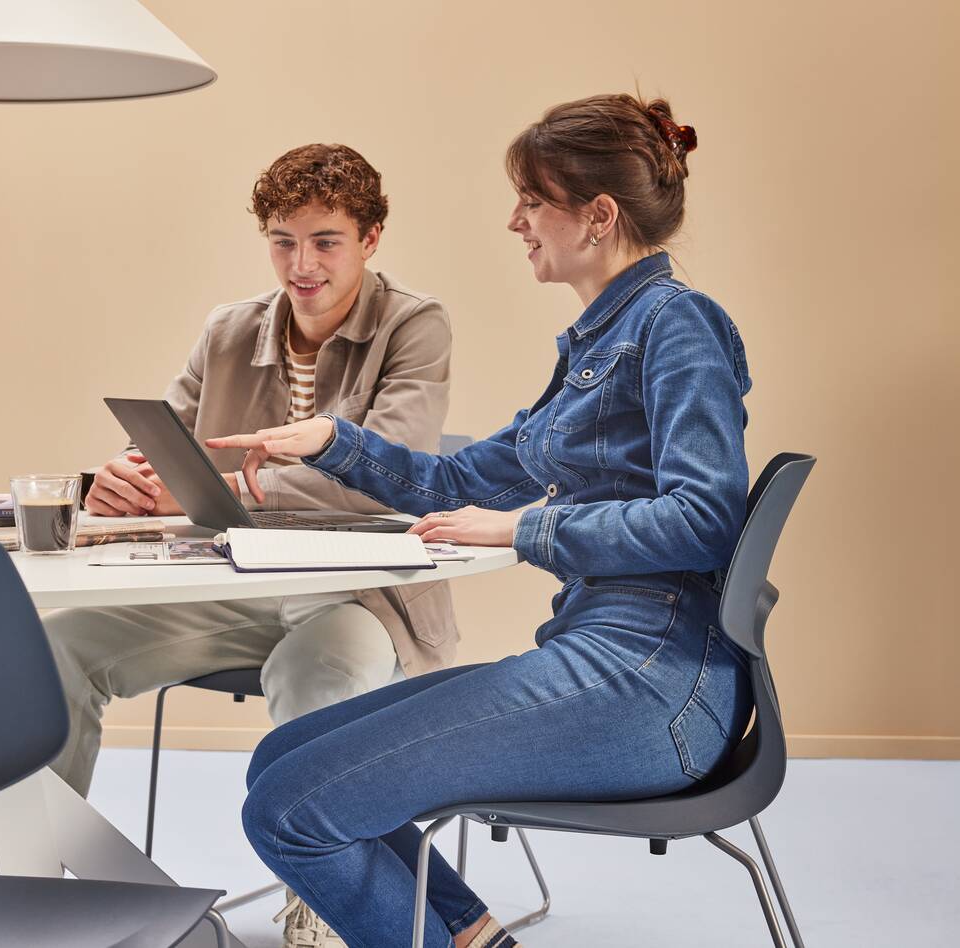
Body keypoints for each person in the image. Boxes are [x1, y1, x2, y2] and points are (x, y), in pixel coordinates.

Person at [211, 94, 755, 948]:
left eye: (532, 201)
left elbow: (706, 518)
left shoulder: (676, 325)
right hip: (607, 657)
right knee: (281, 761)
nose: (515, 221)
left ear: (598, 216)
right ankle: (471, 935)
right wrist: (332, 441)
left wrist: (525, 531)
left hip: (653, 686)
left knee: (288, 810)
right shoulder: (600, 341)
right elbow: (459, 480)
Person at [44, 144, 457, 945]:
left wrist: (224, 490)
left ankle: (324, 903)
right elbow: (163, 449)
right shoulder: (229, 330)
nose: (302, 265)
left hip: (361, 597)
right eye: (282, 241)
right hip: (233, 584)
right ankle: (33, 882)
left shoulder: (414, 324)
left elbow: (388, 475)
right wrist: (116, 477)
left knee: (316, 674)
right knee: (58, 647)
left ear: (371, 238)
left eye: (326, 241)